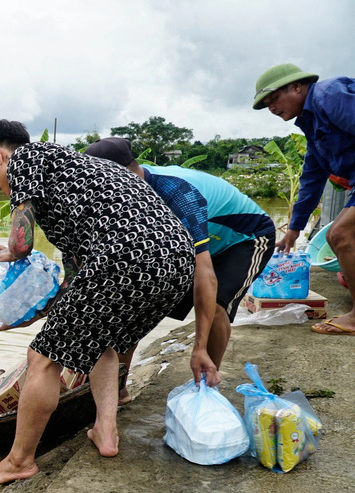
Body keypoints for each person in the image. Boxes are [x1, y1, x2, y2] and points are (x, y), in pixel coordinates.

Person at [0, 120, 195, 485]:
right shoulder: (80, 181)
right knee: (96, 338)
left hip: (124, 256)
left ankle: (18, 462)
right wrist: (30, 313)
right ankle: (105, 431)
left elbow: (23, 242)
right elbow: (76, 294)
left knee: (42, 359)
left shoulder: (26, 157)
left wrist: (11, 252)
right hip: (173, 264)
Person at [86, 137, 275, 400]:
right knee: (136, 304)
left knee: (217, 305)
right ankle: (118, 390)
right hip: (194, 245)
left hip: (243, 239)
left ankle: (207, 383)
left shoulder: (179, 194)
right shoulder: (124, 195)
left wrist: (198, 347)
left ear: (121, 173)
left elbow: (205, 273)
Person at [254, 63, 355, 335]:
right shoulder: (312, 125)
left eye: (273, 98)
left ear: (297, 86)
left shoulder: (328, 95)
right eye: (266, 105)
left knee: (341, 234)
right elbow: (311, 178)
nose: (272, 108)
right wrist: (294, 230)